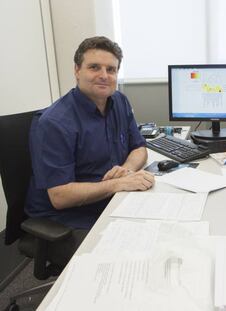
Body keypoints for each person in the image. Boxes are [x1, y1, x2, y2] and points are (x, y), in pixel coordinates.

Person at [25, 36, 154, 263]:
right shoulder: (54, 123)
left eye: (111, 69)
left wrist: (125, 170)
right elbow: (60, 197)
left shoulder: (119, 102)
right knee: (131, 258)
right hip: (66, 218)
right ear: (77, 70)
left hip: (108, 199)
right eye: (94, 67)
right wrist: (117, 184)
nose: (104, 75)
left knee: (161, 233)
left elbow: (139, 148)